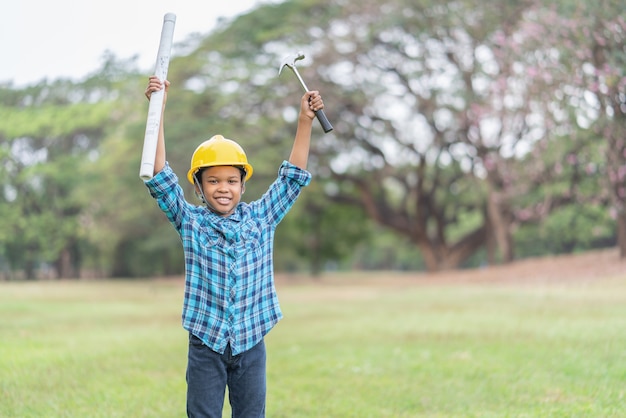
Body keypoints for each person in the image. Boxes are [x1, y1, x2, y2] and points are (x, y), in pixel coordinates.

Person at [143, 75, 324, 418]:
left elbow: (292, 178)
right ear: (198, 186)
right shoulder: (190, 222)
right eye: (212, 180)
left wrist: (304, 121)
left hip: (251, 342)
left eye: (230, 180)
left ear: (243, 184)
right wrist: (158, 110)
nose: (222, 188)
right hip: (205, 344)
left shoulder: (262, 217)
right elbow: (160, 178)